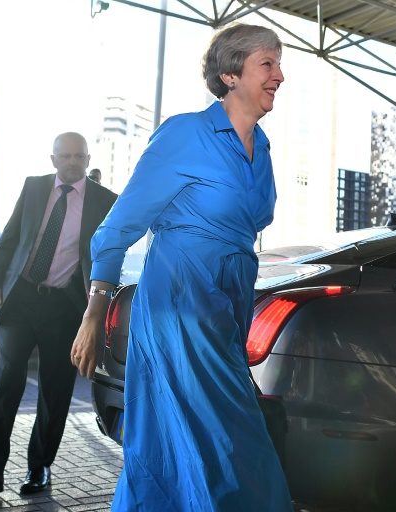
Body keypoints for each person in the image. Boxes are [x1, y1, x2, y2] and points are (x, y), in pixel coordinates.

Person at [70, 24, 291, 510]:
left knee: (185, 446)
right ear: (231, 74)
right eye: (268, 64)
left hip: (226, 308)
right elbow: (118, 227)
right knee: (228, 446)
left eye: (279, 64)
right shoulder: (186, 134)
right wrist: (94, 311)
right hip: (179, 305)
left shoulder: (264, 150)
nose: (279, 75)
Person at [0, 132, 117, 500]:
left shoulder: (105, 200)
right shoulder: (33, 188)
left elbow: (110, 253)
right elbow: (9, 239)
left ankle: (39, 467)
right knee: (7, 379)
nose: (72, 162)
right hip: (21, 298)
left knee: (55, 388)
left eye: (78, 156)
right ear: (53, 159)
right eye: (65, 155)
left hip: (65, 307)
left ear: (87, 159)